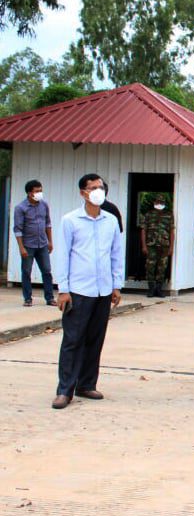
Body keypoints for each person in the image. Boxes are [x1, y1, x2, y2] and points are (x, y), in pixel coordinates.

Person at [52, 174, 123, 409]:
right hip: (78, 290)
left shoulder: (111, 221)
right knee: (73, 340)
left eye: (101, 187)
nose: (97, 191)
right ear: (83, 192)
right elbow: (62, 256)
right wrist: (63, 289)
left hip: (103, 290)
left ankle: (87, 384)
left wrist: (116, 284)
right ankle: (65, 390)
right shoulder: (70, 220)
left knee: (95, 339)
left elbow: (116, 254)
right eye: (93, 188)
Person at [14, 179, 56, 307]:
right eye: (37, 191)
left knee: (47, 271)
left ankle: (49, 298)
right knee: (26, 271)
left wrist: (50, 241)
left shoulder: (44, 205)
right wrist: (21, 247)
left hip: (42, 244)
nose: (40, 193)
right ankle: (28, 298)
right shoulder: (21, 208)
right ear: (29, 193)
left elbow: (48, 223)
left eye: (41, 190)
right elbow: (18, 229)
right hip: (28, 245)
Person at [140, 193, 175, 298]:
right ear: (154, 203)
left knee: (162, 268)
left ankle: (159, 290)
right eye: (158, 202)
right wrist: (144, 246)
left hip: (164, 245)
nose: (159, 204)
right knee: (150, 267)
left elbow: (171, 232)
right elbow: (143, 230)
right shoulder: (148, 215)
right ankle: (151, 289)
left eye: (161, 202)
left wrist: (171, 247)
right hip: (151, 245)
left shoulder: (169, 215)